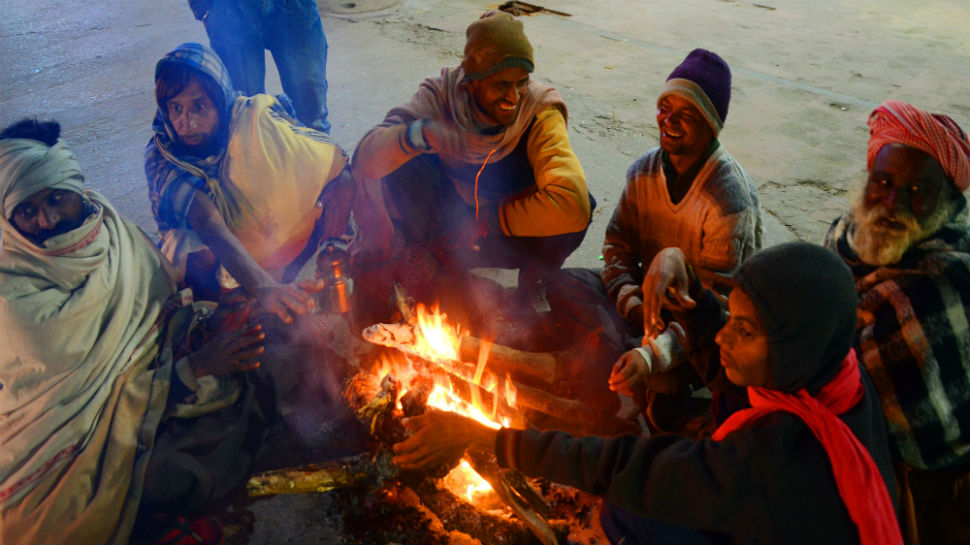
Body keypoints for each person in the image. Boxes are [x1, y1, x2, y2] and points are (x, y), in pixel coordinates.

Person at [393, 242, 901, 545]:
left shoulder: (776, 460)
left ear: (794, 346)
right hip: (764, 511)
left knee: (626, 509)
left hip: (763, 514)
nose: (724, 337)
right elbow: (730, 377)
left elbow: (630, 467)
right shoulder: (835, 378)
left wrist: (487, 438)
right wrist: (691, 288)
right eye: (733, 318)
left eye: (745, 331)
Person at [0, 119, 284, 545]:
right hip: (83, 442)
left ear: (76, 189)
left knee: (265, 338)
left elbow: (160, 311)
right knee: (167, 474)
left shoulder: (109, 229)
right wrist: (195, 367)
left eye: (56, 199)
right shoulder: (16, 302)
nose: (48, 220)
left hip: (154, 378)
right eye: (27, 211)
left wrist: (207, 324)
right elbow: (94, 411)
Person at [351, 10, 593, 318]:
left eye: (521, 83)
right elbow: (364, 160)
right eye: (501, 85)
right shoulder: (441, 95)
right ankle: (440, 276)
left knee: (577, 208)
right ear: (472, 83)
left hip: (502, 230)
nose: (514, 97)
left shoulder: (539, 110)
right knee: (401, 166)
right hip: (448, 228)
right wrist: (420, 135)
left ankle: (533, 279)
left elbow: (572, 204)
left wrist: (491, 219)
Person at [822, 99, 970, 545]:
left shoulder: (943, 282)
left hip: (926, 485)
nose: (892, 202)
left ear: (947, 201)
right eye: (883, 182)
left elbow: (828, 371)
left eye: (918, 190)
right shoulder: (846, 235)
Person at [595, 49, 763, 430]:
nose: (669, 120)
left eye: (687, 114)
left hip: (703, 328)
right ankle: (633, 364)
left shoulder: (728, 199)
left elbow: (717, 310)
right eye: (665, 107)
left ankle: (674, 389)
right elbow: (615, 249)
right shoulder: (642, 171)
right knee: (566, 288)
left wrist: (651, 354)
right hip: (643, 304)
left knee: (660, 388)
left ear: (712, 126)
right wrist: (637, 306)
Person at [145, 42, 353, 324]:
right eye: (175, 108)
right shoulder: (163, 154)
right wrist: (263, 287)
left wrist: (331, 245)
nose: (186, 123)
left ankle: (284, 281)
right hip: (215, 253)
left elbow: (336, 167)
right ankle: (217, 318)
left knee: (334, 185)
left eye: (198, 106)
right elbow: (206, 221)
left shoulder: (252, 120)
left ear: (221, 101)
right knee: (193, 249)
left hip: (268, 239)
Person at [187, 0, 331, 133]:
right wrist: (202, 9)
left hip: (294, 6)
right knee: (245, 118)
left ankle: (317, 152)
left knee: (311, 113)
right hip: (231, 8)